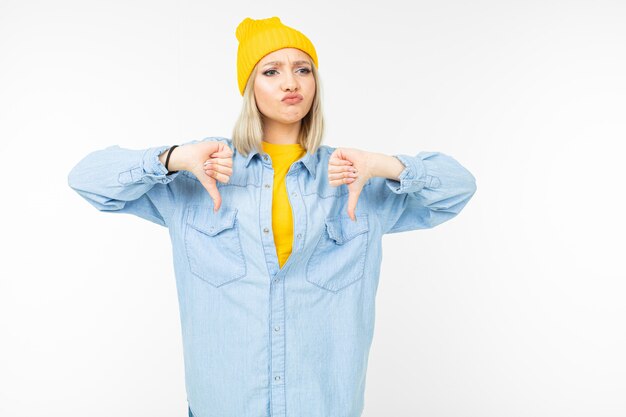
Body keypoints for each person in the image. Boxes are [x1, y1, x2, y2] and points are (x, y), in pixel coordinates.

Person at [67, 16, 477, 417]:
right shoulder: (202, 171)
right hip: (224, 403)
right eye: (271, 71)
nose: (290, 82)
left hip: (325, 404)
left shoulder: (353, 177)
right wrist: (170, 158)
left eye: (303, 69)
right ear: (249, 87)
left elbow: (458, 188)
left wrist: (387, 165)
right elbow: (87, 179)